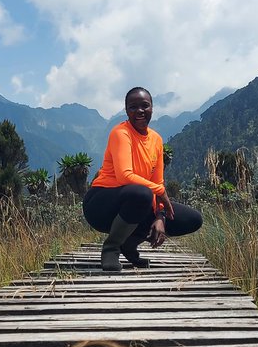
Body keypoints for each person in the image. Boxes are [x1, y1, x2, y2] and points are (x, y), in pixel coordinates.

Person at [83, 87, 203, 271]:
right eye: (133, 107)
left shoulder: (156, 140)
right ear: (126, 110)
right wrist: (160, 192)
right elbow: (125, 176)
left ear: (152, 108)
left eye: (144, 106)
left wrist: (160, 216)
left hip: (139, 199)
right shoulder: (120, 133)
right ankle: (111, 248)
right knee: (142, 193)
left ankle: (129, 244)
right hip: (100, 205)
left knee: (192, 219)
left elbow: (158, 182)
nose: (139, 111)